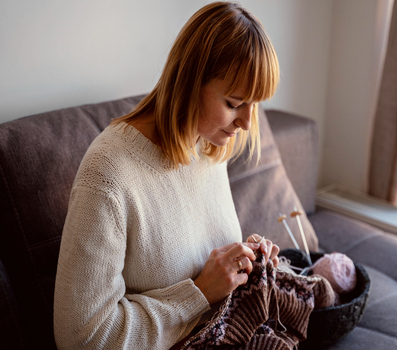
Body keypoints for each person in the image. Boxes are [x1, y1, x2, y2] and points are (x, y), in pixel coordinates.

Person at [53, 2, 280, 349]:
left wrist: (244, 265)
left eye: (255, 103)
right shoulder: (108, 175)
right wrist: (199, 293)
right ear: (190, 82)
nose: (248, 123)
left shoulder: (209, 147)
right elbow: (82, 338)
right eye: (234, 103)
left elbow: (202, 257)